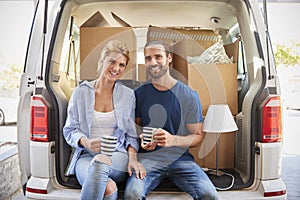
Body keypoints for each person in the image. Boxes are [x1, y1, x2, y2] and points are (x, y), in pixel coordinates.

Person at [124, 40, 218, 200]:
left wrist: (172, 140)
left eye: (158, 57)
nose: (152, 62)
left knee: (209, 195)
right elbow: (135, 128)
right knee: (132, 195)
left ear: (169, 58)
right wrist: (143, 138)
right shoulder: (139, 94)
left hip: (181, 160)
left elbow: (197, 137)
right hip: (148, 160)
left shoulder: (189, 95)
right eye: (148, 58)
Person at [63, 40, 145, 200]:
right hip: (86, 156)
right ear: (102, 62)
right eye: (112, 62)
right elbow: (70, 130)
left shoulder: (128, 95)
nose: (116, 68)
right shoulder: (80, 92)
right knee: (108, 188)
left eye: (122, 65)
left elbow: (131, 134)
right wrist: (85, 142)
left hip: (118, 156)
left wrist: (133, 159)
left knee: (100, 161)